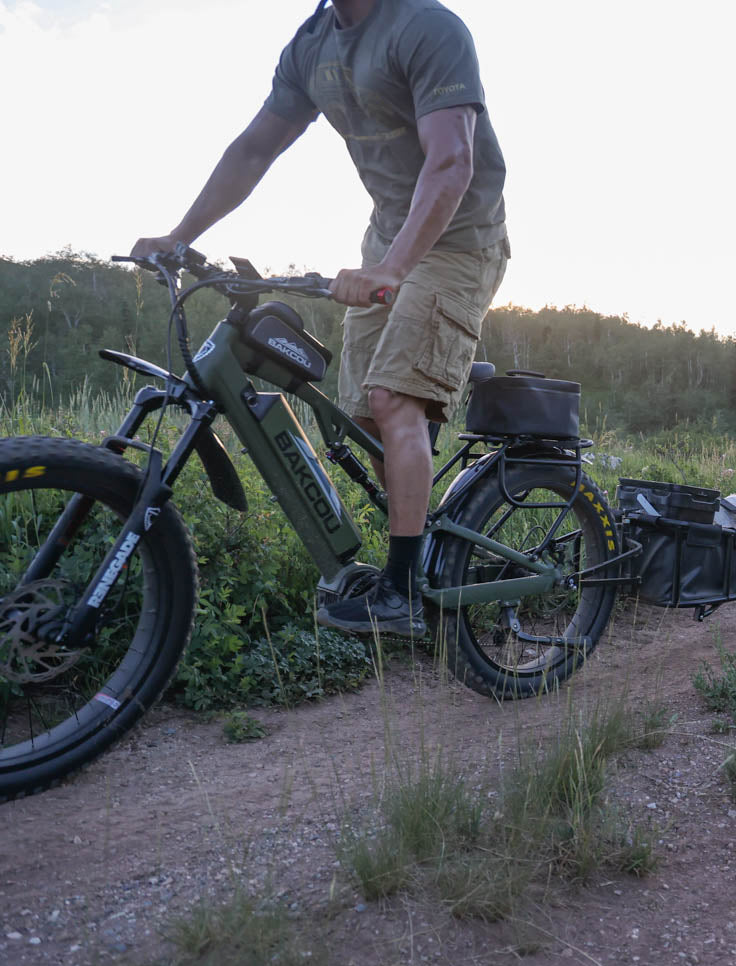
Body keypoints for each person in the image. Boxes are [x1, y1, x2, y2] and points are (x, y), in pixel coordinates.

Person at [131, 0, 508, 638]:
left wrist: (392, 268)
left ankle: (404, 592)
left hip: (459, 242)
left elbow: (452, 161)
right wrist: (179, 235)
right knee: (359, 416)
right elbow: (254, 149)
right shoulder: (312, 46)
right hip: (388, 239)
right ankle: (415, 553)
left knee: (393, 399)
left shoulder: (427, 28)